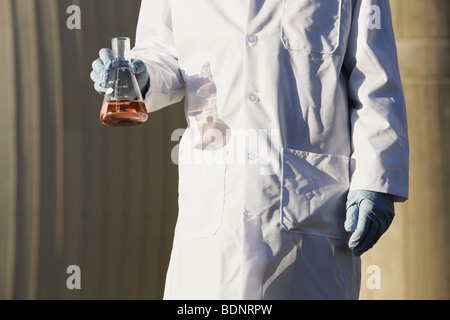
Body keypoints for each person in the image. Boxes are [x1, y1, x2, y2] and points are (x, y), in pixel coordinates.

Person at [90, 0, 409, 300]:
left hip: (312, 209)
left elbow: (374, 78)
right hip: (217, 210)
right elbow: (163, 53)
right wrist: (140, 75)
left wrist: (376, 181)